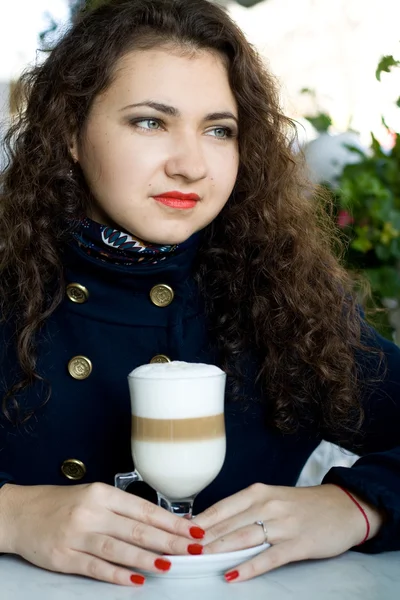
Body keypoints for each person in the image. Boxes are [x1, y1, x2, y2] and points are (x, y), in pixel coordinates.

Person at [0, 0, 399, 588]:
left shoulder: (285, 300)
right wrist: (12, 516)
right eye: (150, 122)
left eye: (219, 130)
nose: (191, 165)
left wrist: (359, 507)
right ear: (70, 135)